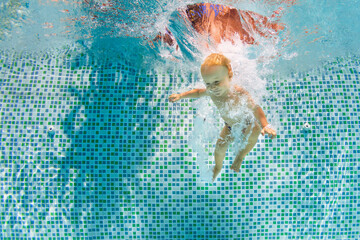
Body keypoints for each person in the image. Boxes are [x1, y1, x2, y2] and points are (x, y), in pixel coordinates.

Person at [168, 53, 277, 182]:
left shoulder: (238, 92)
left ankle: (240, 157)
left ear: (229, 76)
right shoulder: (212, 92)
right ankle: (217, 167)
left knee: (254, 132)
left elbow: (255, 108)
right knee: (219, 147)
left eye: (216, 82)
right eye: (208, 83)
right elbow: (197, 92)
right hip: (230, 126)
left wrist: (266, 125)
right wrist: (181, 96)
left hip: (249, 123)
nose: (212, 87)